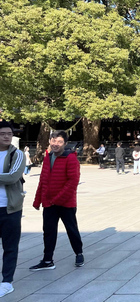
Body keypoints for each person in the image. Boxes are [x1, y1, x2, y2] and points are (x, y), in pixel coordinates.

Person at [30, 130, 84, 271]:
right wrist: (37, 200)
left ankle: (79, 253)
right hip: (49, 203)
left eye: (59, 142)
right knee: (48, 231)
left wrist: (57, 199)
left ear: (65, 144)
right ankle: (48, 260)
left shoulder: (71, 158)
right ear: (50, 141)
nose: (56, 144)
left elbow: (73, 182)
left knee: (71, 229)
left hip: (66, 203)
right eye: (53, 141)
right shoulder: (48, 157)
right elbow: (43, 180)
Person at [0, 122, 26, 297]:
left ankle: (6, 281)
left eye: (9, 133)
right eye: (3, 134)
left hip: (10, 208)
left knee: (10, 246)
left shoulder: (17, 154)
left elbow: (12, 177)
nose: (7, 136)